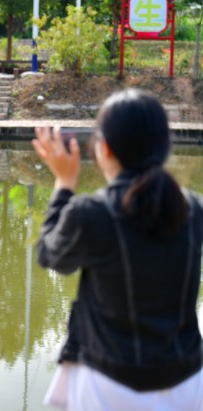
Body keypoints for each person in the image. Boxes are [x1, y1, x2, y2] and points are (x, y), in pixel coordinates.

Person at [32, 88, 203, 410]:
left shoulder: (92, 213)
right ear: (164, 147)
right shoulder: (193, 208)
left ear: (105, 148)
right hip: (188, 383)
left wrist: (65, 184)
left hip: (110, 386)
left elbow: (51, 255)